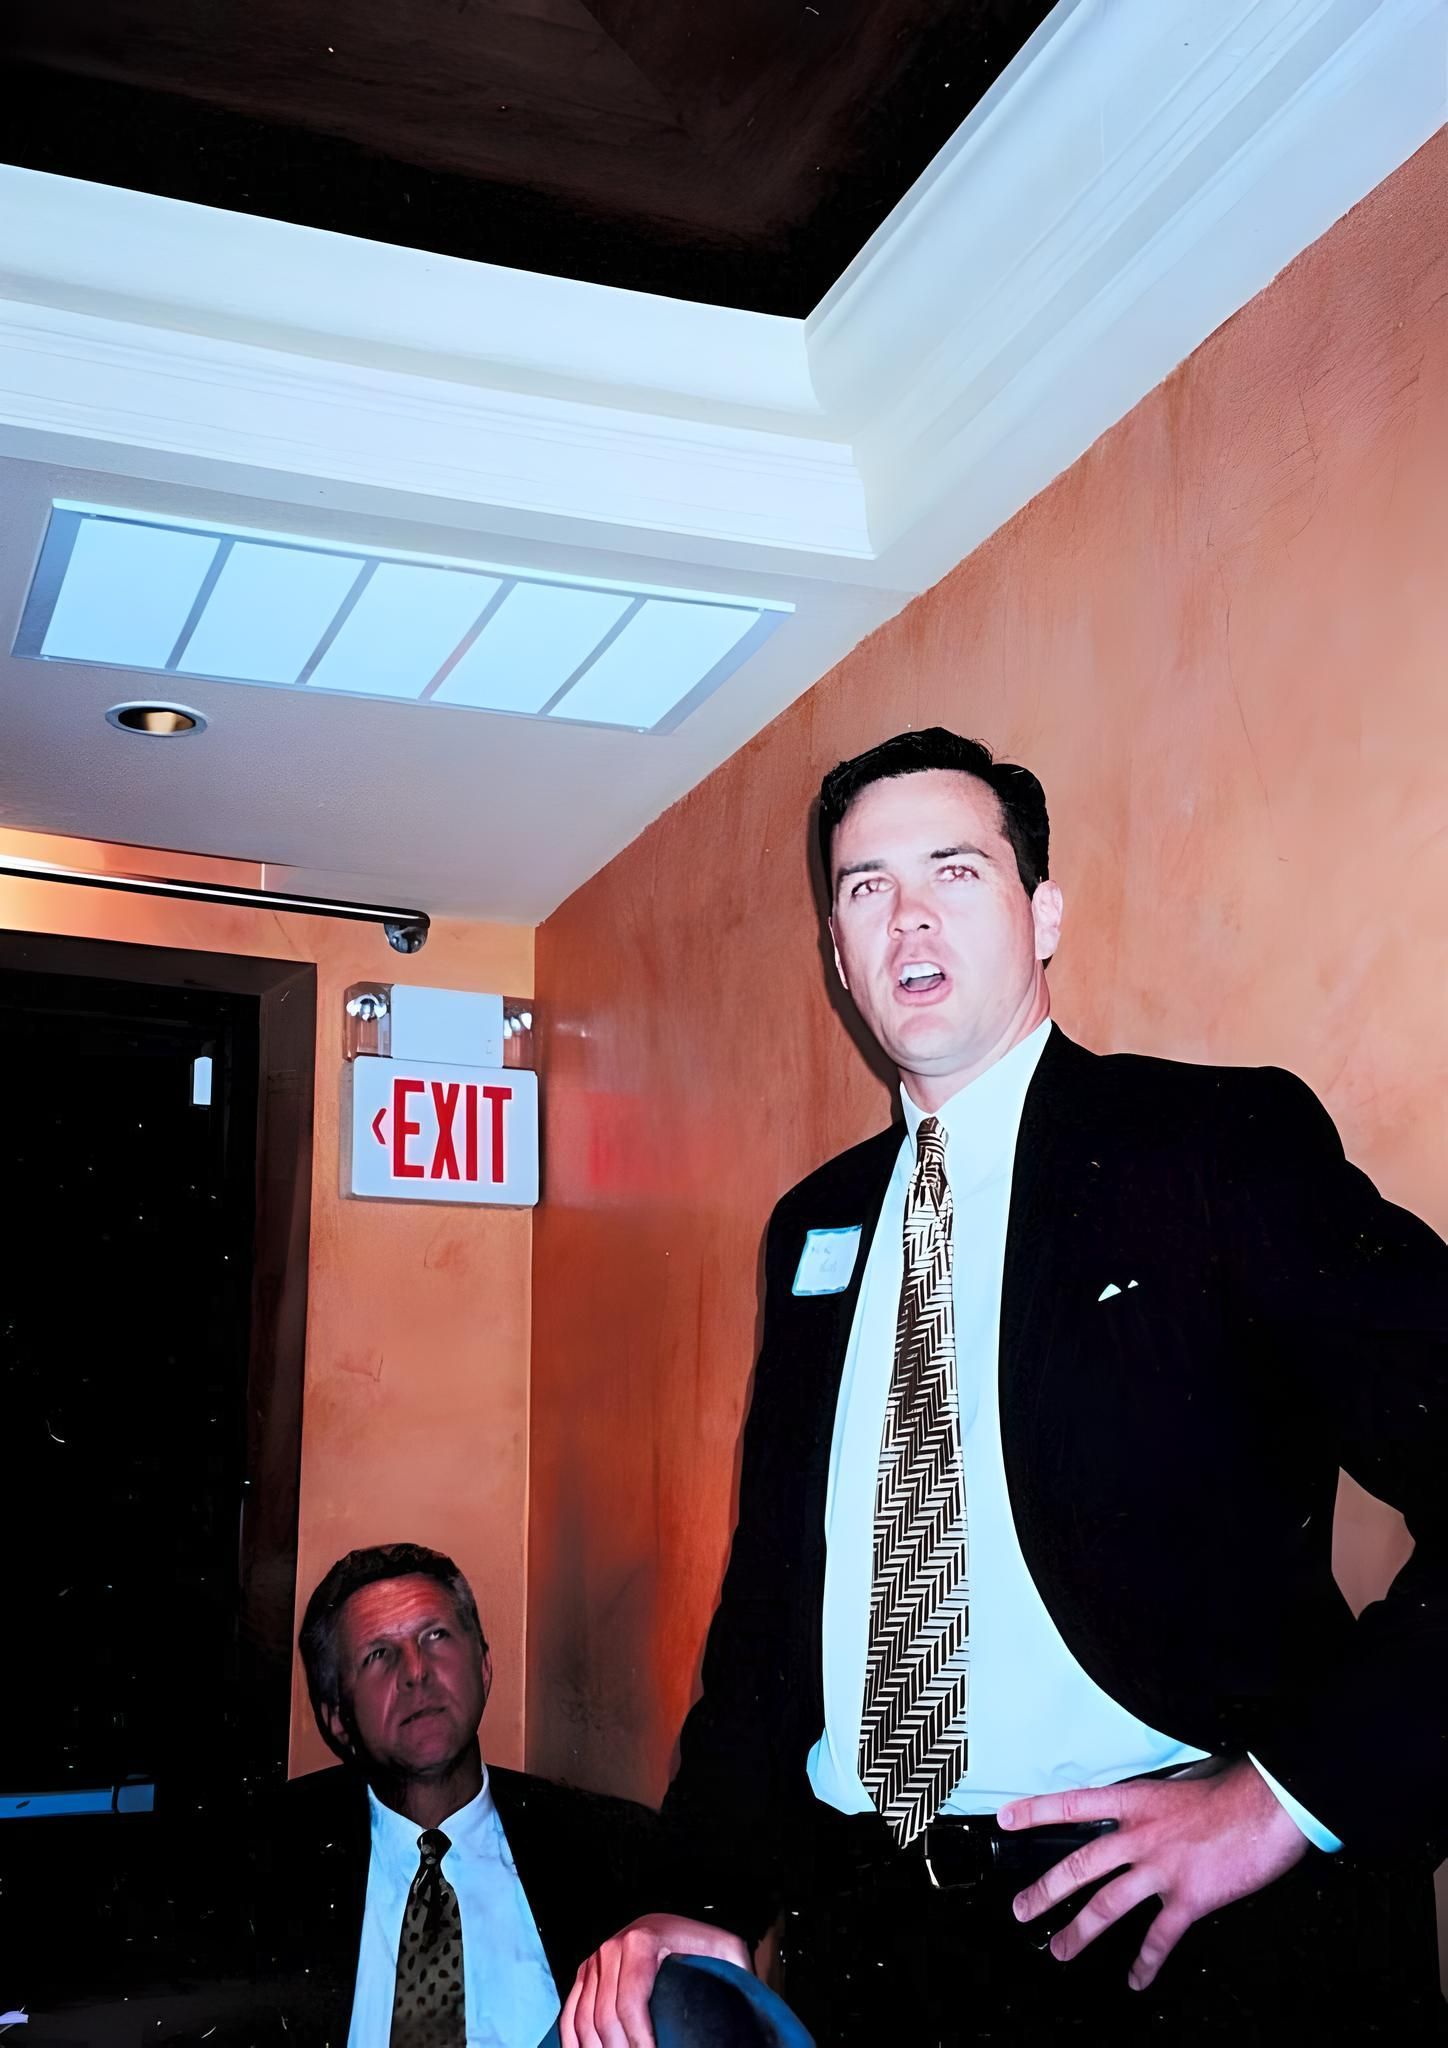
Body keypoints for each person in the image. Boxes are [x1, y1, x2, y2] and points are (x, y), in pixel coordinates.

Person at [562, 729, 1448, 2044]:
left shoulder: (1209, 1150)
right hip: (878, 1946)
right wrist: (701, 1893)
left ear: (1042, 915)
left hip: (1178, 1937)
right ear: (838, 950)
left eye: (954, 871)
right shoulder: (816, 1227)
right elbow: (774, 1613)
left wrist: (1291, 1795)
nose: (908, 915)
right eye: (865, 889)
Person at [253, 1542, 659, 2047]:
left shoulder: (615, 1849)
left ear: (484, 1668)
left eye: (436, 1635)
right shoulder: (261, 1865)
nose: (416, 1671)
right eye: (379, 1654)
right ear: (337, 1718)